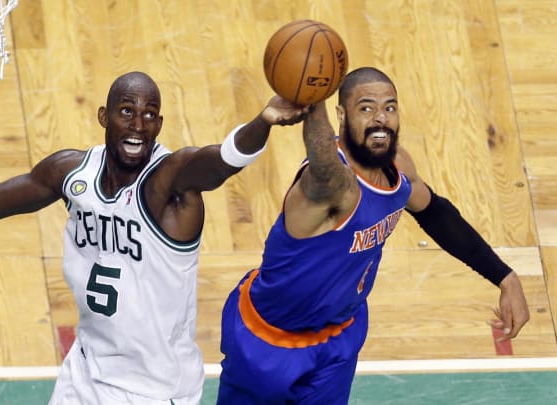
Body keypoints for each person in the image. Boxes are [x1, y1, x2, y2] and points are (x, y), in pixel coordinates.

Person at [0, 71, 311, 404]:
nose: (138, 125)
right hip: (87, 371)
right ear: (104, 116)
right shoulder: (72, 172)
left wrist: (263, 121)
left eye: (150, 115)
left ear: (160, 124)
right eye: (127, 112)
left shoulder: (168, 183)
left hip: (151, 390)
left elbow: (217, 162)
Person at [216, 67, 531, 404]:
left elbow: (436, 213)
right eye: (366, 108)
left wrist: (505, 278)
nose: (380, 118)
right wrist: (313, 100)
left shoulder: (398, 166)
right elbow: (324, 168)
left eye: (390, 108)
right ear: (341, 116)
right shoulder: (328, 187)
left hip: (339, 337)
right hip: (268, 343)